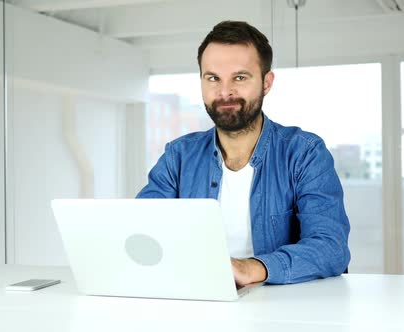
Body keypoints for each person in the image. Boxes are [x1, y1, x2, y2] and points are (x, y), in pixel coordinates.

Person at [137, 20, 350, 286]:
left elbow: (331, 248)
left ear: (266, 82)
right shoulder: (178, 157)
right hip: (195, 300)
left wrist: (253, 268)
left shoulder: (304, 153)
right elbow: (141, 233)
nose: (225, 92)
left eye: (240, 77)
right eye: (213, 78)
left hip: (282, 310)